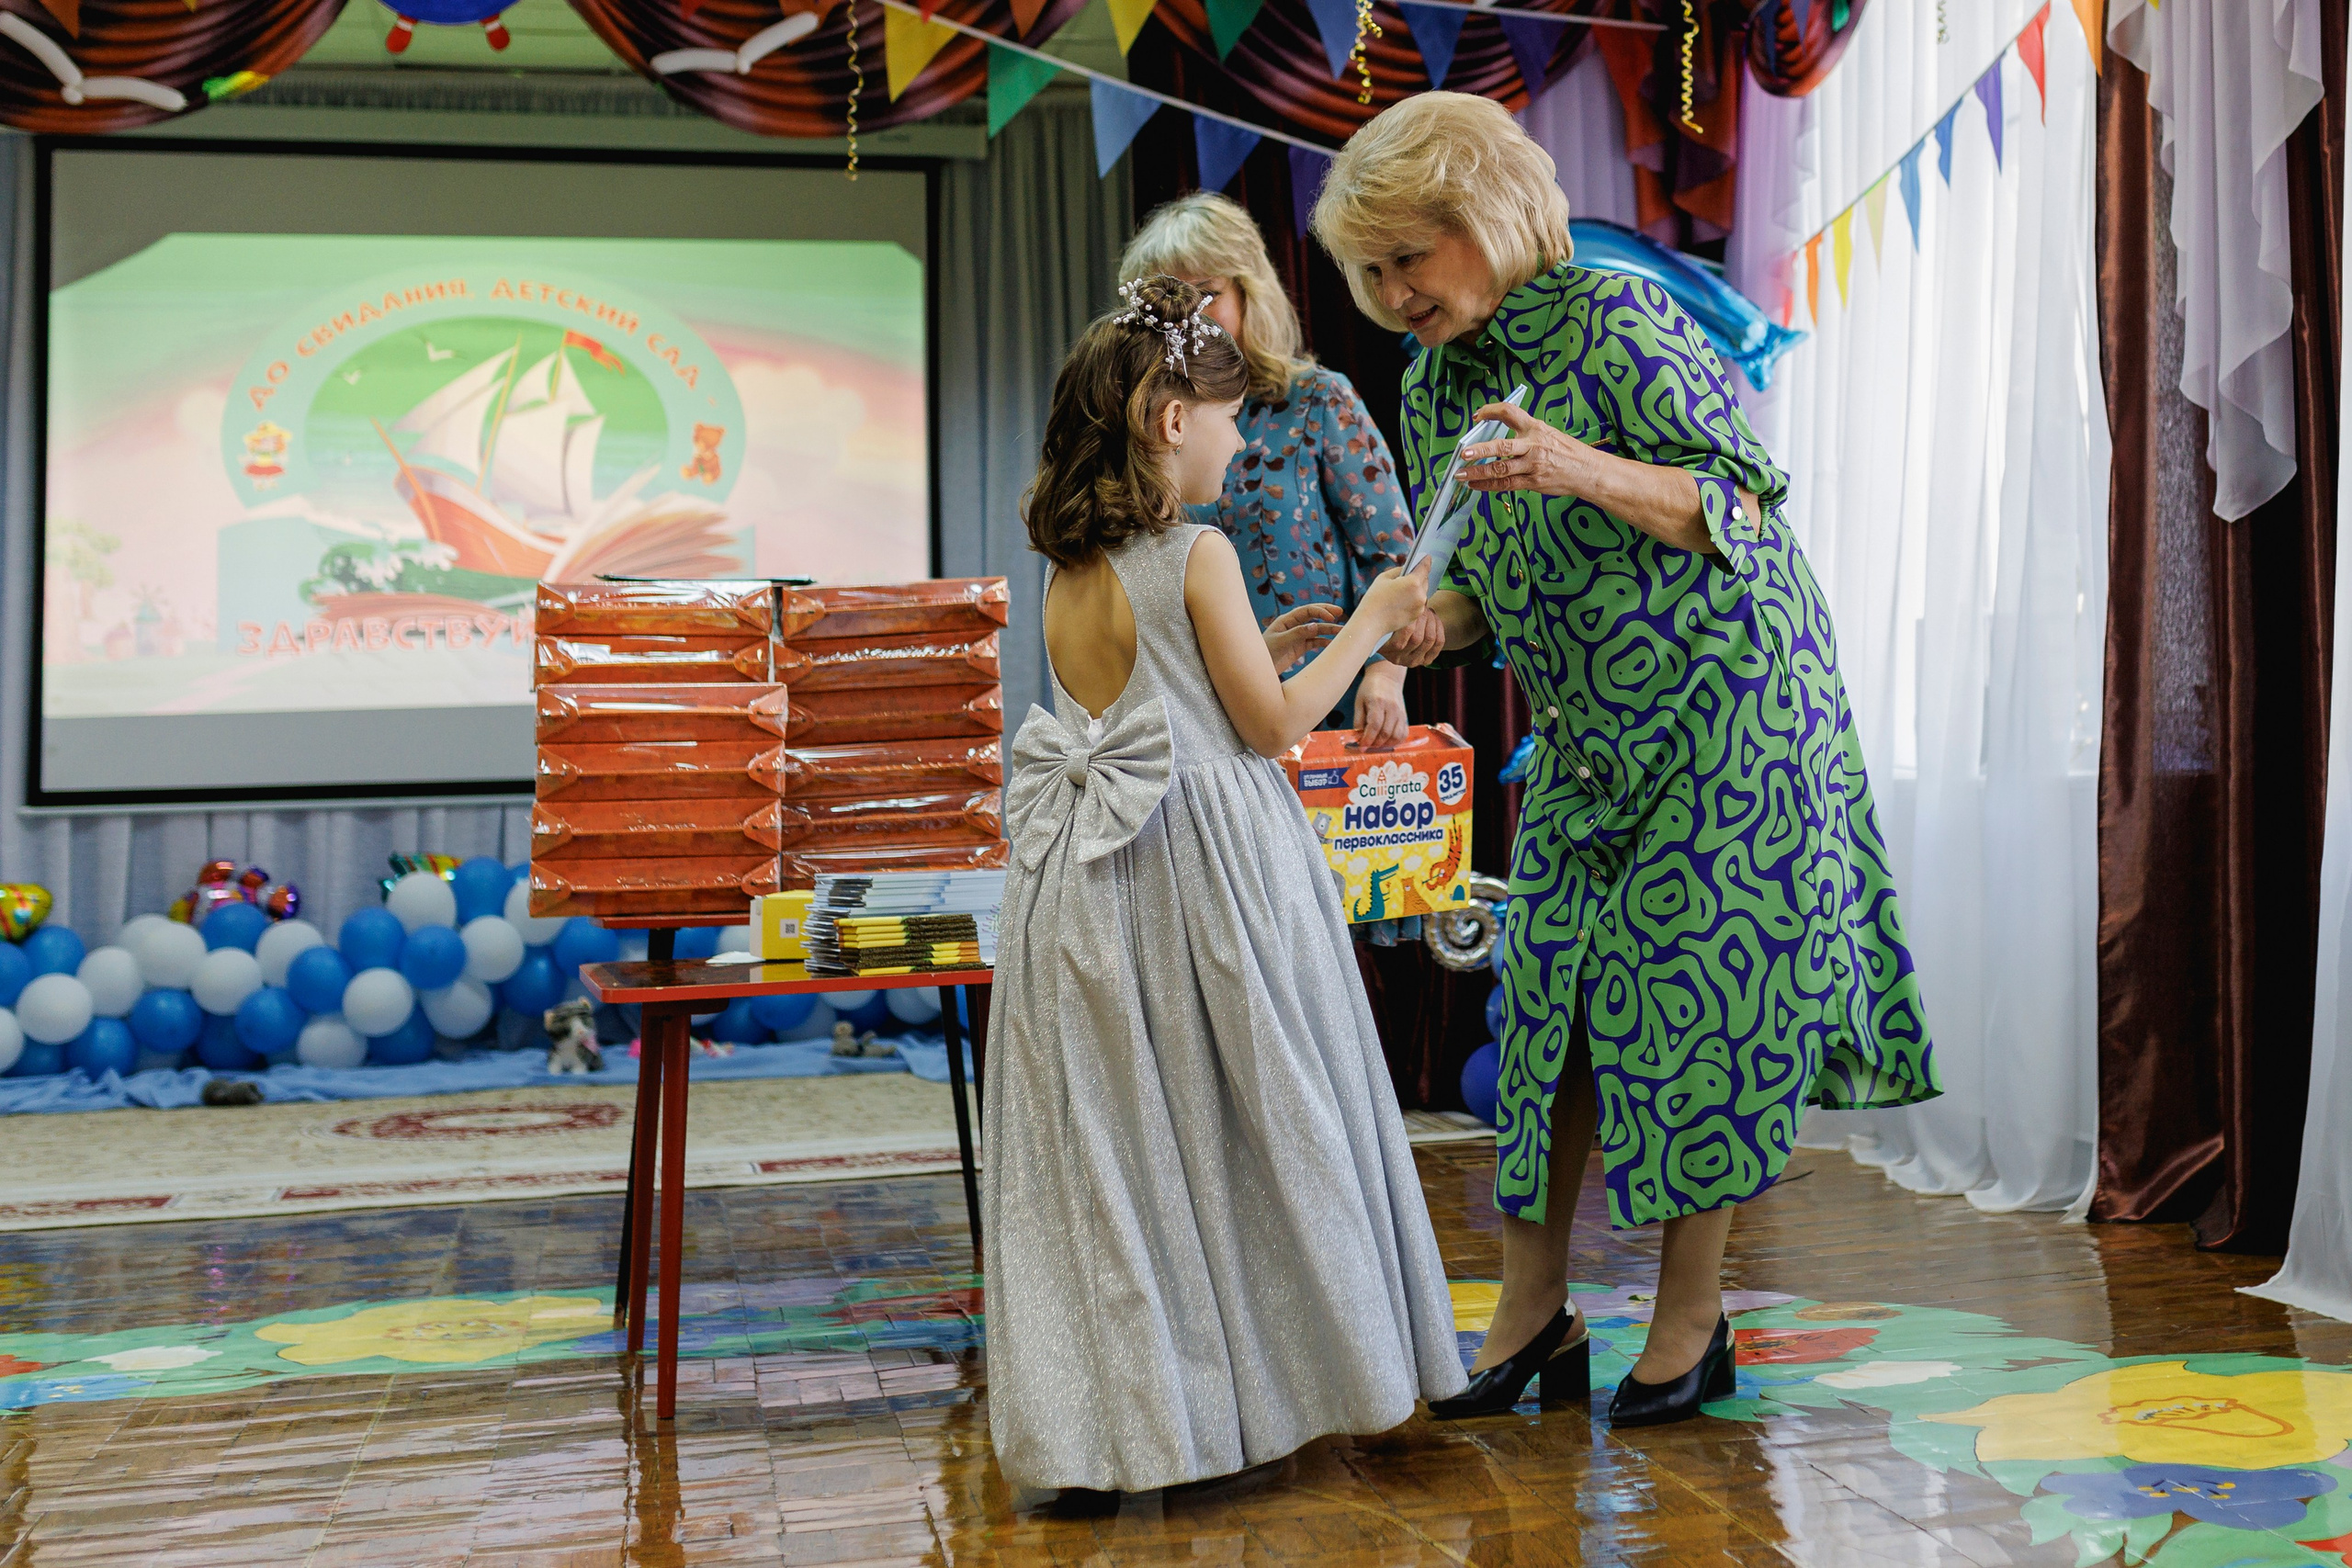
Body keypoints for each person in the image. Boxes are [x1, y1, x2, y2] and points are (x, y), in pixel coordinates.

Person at [1313, 93, 1940, 1427]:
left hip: (1732, 711)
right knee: (1548, 1008)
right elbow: (1479, 586)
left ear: (1480, 217)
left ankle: (1691, 1321)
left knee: (1696, 1009)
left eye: (1404, 258)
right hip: (1592, 733)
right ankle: (1531, 1312)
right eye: (1367, 272)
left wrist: (1577, 464)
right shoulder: (1430, 386)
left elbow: (1742, 507)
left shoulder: (1620, 318)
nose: (1386, 293)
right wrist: (1422, 628)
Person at [980, 276, 1468, 1494]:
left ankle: (1150, 1414)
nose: (1241, 437)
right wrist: (1367, 621)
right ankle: (1333, 1371)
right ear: (1166, 418)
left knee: (1147, 1140)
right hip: (1212, 870)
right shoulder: (1196, 550)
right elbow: (1267, 728)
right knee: (1273, 1122)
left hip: (1099, 880)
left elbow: (1167, 694)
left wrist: (1274, 637)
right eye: (1225, 413)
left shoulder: (1069, 565)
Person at [1118, 193, 1419, 751]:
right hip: (1194, 725)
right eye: (1175, 302)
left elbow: (1395, 555)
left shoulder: (1318, 400)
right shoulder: (1140, 426)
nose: (1193, 318)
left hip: (1323, 710)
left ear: (1249, 294)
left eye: (1209, 294)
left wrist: (1385, 672)